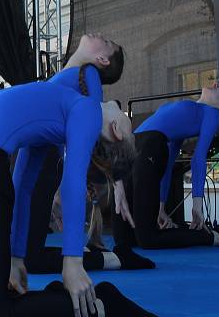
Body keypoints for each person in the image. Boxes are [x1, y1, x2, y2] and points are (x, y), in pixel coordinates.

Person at [0, 80, 160, 317]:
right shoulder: (65, 111)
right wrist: (15, 257)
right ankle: (52, 300)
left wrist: (72, 262)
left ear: (117, 131)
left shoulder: (86, 110)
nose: (132, 126)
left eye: (132, 132)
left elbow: (72, 182)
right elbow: (23, 187)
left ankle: (101, 303)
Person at [21, 34, 154, 274]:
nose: (101, 37)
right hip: (37, 158)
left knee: (29, 258)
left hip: (43, 162)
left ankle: (110, 259)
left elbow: (90, 130)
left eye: (107, 43)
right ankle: (101, 256)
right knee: (19, 250)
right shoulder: (71, 78)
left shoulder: (89, 75)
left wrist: (117, 181)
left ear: (101, 59)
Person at [111, 83, 219, 250]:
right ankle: (183, 231)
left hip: (149, 147)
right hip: (131, 148)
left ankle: (212, 236)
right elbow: (167, 166)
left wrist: (197, 205)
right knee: (123, 240)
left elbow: (198, 158)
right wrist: (160, 206)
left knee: (148, 240)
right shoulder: (185, 112)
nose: (216, 84)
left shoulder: (211, 113)